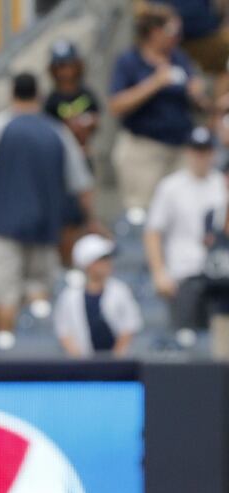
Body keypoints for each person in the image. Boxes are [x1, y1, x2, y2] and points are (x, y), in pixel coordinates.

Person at [0, 72, 95, 334]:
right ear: (38, 96)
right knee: (39, 293)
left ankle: (6, 349)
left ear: (12, 94)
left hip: (5, 228)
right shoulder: (57, 131)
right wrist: (88, 222)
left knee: (3, 295)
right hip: (46, 231)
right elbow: (82, 186)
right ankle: (35, 349)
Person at [109, 2, 208, 212]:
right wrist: (155, 83)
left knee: (183, 211)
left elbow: (201, 101)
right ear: (154, 32)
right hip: (144, 151)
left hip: (179, 149)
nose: (177, 37)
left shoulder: (179, 58)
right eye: (171, 31)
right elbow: (116, 105)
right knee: (143, 211)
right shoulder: (130, 61)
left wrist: (198, 94)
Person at [145, 125, 228, 327]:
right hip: (183, 273)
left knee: (220, 335)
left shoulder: (222, 183)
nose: (201, 156)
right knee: (185, 337)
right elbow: (153, 232)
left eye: (205, 151)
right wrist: (159, 272)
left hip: (220, 276)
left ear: (213, 152)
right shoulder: (171, 186)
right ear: (188, 152)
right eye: (196, 150)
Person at [44, 39, 102, 265]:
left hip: (84, 157)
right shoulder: (51, 101)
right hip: (60, 168)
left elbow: (96, 120)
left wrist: (86, 126)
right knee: (64, 220)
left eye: (68, 65)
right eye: (60, 66)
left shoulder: (86, 94)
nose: (65, 71)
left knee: (84, 214)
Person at [54, 234, 143, 356]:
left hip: (118, 363)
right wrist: (80, 360)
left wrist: (116, 359)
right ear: (88, 264)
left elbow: (130, 325)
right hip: (82, 364)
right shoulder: (69, 296)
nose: (108, 263)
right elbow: (64, 331)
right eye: (102, 259)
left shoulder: (120, 290)